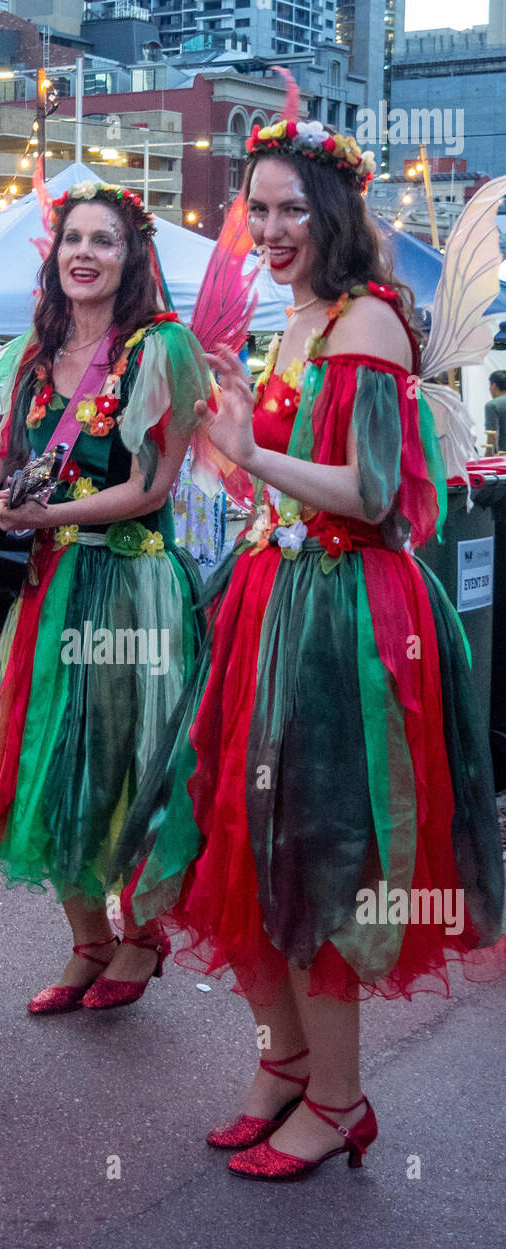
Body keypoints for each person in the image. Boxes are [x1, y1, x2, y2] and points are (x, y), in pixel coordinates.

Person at [110, 117, 506, 1180]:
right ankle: (282, 1059)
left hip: (341, 620)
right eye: (259, 209)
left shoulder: (366, 324)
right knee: (228, 841)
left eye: (292, 208)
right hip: (268, 601)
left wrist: (253, 457)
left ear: (333, 214)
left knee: (313, 852)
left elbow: (373, 499)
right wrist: (234, 458)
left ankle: (337, 1099)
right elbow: (280, 477)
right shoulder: (293, 321)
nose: (273, 228)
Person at [0, 182, 210, 1013]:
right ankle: (88, 940)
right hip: (44, 585)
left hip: (129, 588)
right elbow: (1, 448)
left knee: (125, 765)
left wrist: (44, 513)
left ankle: (141, 938)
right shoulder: (36, 347)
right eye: (72, 241)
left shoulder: (163, 348)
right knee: (39, 761)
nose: (84, 255)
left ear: (134, 259)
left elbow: (149, 485)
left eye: (105, 241)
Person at [484, 370, 506, 453]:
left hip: (502, 460)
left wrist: (487, 460)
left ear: (493, 385)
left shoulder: (492, 405)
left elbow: (492, 436)